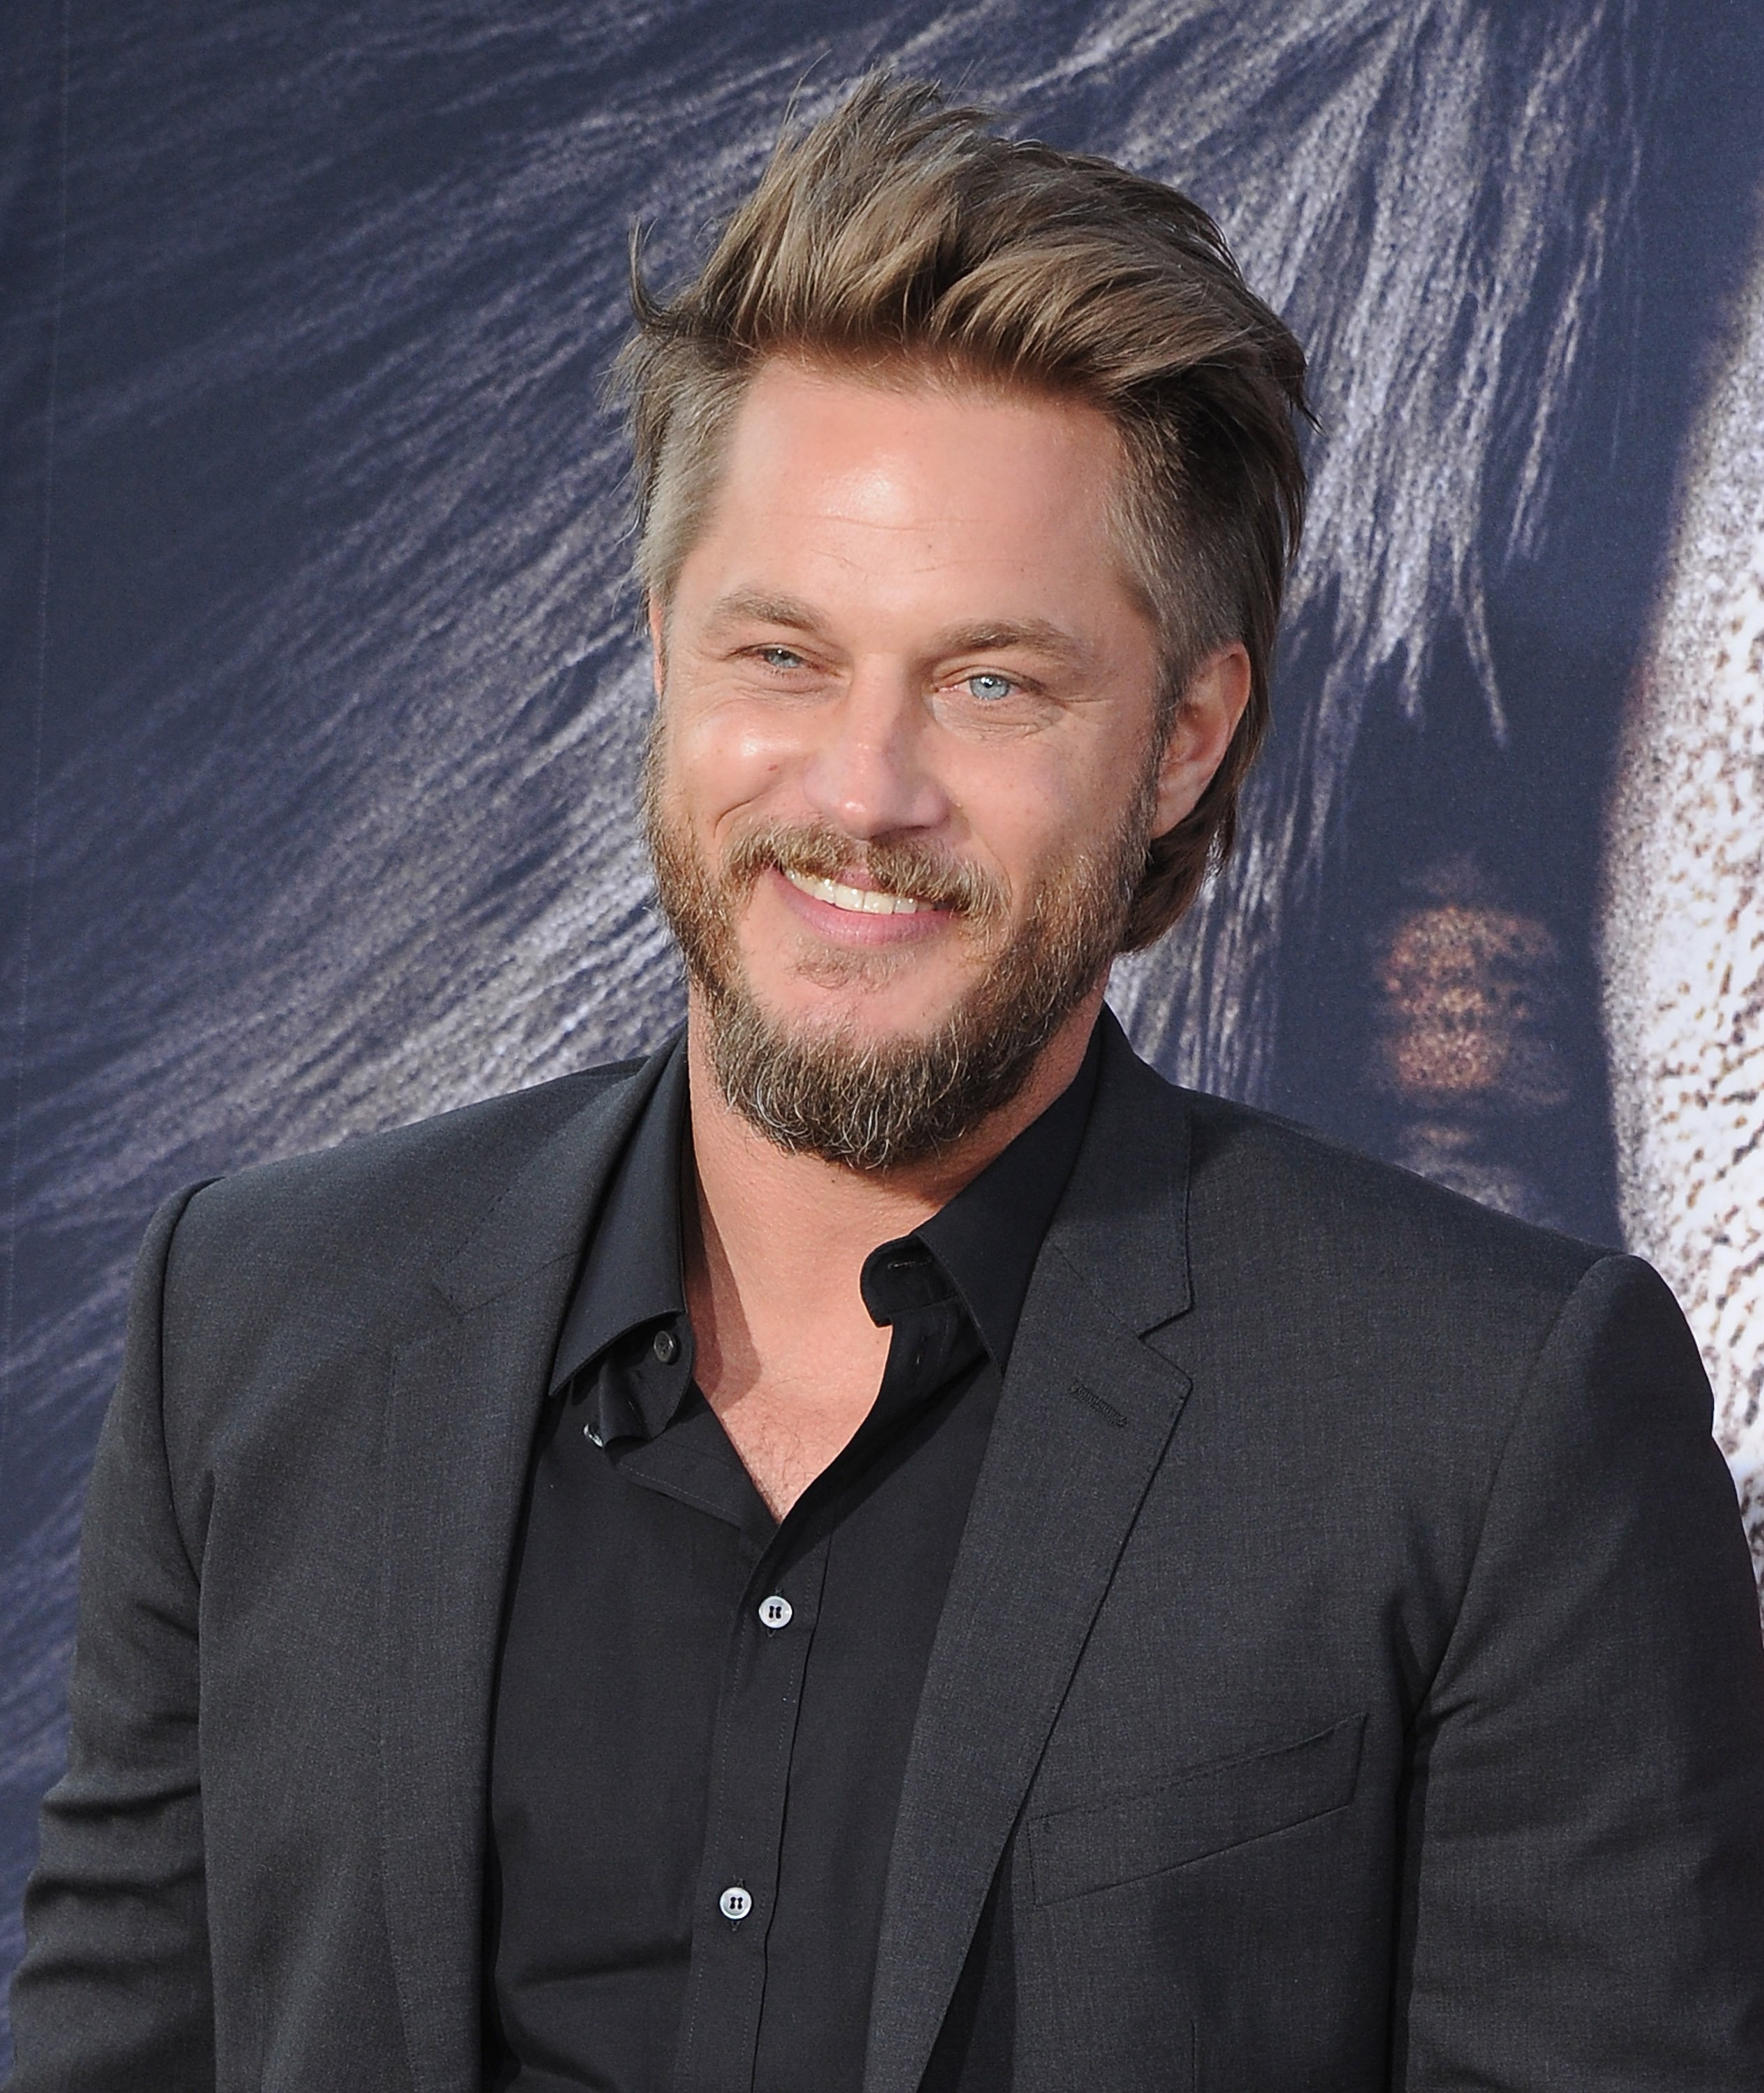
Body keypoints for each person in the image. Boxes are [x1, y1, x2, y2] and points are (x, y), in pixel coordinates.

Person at [9, 72, 1764, 2093]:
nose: (863, 791)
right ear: (665, 651)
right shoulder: (253, 1326)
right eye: (781, 656)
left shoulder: (1488, 1426)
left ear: (1186, 738)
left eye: (991, 679)